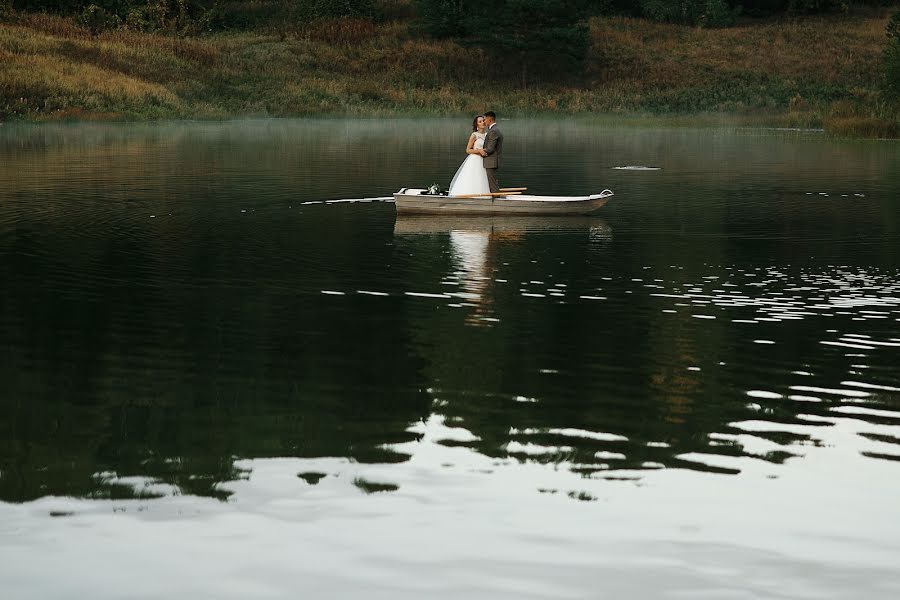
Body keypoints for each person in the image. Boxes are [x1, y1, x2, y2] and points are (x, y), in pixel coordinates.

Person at [448, 115, 491, 196]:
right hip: (475, 159)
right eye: (480, 121)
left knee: (483, 179)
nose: (482, 123)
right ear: (477, 125)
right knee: (473, 177)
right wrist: (479, 151)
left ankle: (484, 195)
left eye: (483, 121)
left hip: (484, 160)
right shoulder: (474, 135)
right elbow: (468, 150)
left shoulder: (487, 135)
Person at [479, 111, 503, 193]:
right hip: (491, 161)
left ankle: (496, 200)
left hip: (491, 161)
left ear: (489, 119)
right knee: (492, 182)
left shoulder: (493, 131)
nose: (484, 121)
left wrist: (480, 151)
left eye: (485, 119)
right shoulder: (494, 130)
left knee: (492, 183)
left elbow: (490, 149)